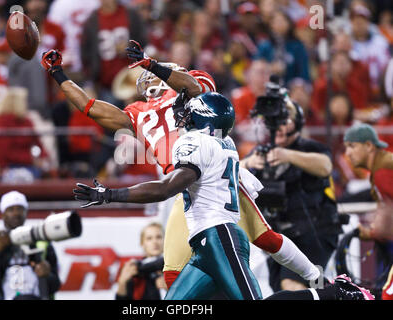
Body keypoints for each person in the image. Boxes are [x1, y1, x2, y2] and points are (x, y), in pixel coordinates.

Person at [40, 41, 321, 293]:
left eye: (152, 73)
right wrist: (58, 74)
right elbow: (91, 107)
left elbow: (194, 88)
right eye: (146, 74)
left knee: (266, 238)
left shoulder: (190, 88)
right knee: (173, 273)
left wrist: (154, 64)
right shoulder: (138, 112)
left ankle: (318, 280)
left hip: (213, 175)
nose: (147, 78)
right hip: (181, 185)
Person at [73, 92, 373, 301]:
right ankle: (327, 287)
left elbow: (167, 188)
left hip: (220, 235)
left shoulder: (195, 143)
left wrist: (109, 194)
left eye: (191, 113)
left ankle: (335, 293)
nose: (183, 116)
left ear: (203, 121)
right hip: (206, 243)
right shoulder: (224, 143)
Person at [240, 98, 343, 292]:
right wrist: (249, 163)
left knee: (293, 286)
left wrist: (288, 155)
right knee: (283, 289)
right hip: (281, 236)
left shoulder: (309, 147)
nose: (279, 126)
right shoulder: (260, 152)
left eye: (285, 120)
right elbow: (231, 170)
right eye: (275, 121)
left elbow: (325, 165)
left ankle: (334, 293)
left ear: (297, 124)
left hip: (315, 231)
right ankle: (334, 294)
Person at [0, 191, 61, 300]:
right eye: (11, 209)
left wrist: (47, 276)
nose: (16, 213)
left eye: (20, 209)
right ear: (3, 214)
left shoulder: (41, 242)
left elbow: (55, 286)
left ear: (26, 212)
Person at [343, 123, 393, 300]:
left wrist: (372, 231)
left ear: (369, 146)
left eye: (352, 146)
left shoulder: (383, 170)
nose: (347, 153)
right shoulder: (382, 167)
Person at [116, 222, 166, 300]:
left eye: (158, 237)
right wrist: (122, 282)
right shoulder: (134, 270)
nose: (155, 242)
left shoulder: (174, 266)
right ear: (142, 244)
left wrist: (170, 289)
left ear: (165, 240)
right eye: (149, 238)